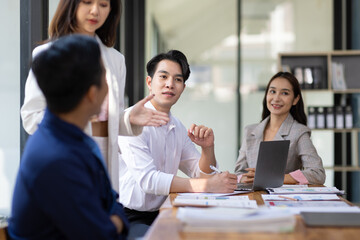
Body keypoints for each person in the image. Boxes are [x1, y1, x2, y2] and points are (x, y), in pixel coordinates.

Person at [20, 0, 169, 190]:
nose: (94, 11)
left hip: (105, 160)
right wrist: (75, 122)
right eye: (87, 2)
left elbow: (107, 118)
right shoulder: (48, 54)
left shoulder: (115, 60)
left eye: (104, 5)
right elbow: (31, 117)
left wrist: (129, 119)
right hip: (66, 155)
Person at [9, 35, 129, 239]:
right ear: (92, 94)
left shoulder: (71, 139)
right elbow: (102, 233)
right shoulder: (56, 159)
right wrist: (116, 220)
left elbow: (111, 203)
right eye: (104, 75)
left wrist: (114, 218)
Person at [118, 50, 238, 238]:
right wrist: (205, 186)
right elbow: (148, 180)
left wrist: (207, 148)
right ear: (150, 83)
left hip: (166, 210)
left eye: (178, 80)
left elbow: (198, 173)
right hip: (130, 216)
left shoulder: (177, 126)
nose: (170, 84)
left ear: (182, 88)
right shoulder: (130, 121)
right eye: (163, 76)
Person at [235, 72, 326, 185]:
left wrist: (276, 178)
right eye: (272, 91)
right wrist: (244, 178)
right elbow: (238, 173)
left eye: (284, 93)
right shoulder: (250, 131)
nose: (276, 98)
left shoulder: (299, 132)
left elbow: (317, 173)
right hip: (253, 198)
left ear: (295, 99)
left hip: (283, 200)